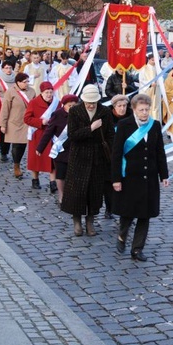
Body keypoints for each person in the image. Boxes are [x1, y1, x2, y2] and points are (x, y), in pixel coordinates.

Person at [111, 93, 169, 262]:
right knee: (128, 213)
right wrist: (116, 179)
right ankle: (122, 234)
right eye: (141, 110)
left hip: (149, 177)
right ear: (134, 110)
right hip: (129, 176)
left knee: (145, 214)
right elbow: (116, 153)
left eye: (147, 109)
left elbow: (159, 152)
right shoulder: (124, 125)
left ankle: (137, 249)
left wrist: (163, 174)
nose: (145, 113)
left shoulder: (155, 126)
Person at [61, 84, 114, 237]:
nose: (91, 105)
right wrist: (90, 128)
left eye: (94, 102)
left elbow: (110, 134)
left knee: (94, 191)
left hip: (98, 157)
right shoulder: (75, 111)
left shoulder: (104, 111)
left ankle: (90, 220)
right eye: (88, 102)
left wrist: (110, 150)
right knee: (76, 191)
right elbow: (72, 135)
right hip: (79, 156)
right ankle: (76, 220)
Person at [37, 94, 79, 200]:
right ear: (64, 105)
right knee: (60, 174)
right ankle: (61, 195)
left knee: (73, 174)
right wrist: (40, 148)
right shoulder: (56, 115)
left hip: (74, 149)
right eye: (70, 105)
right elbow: (48, 132)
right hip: (61, 150)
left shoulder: (79, 115)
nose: (72, 108)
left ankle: (71, 194)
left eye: (74, 105)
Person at [0, 72, 35, 180]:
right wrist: (2, 124)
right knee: (16, 145)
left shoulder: (32, 91)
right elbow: (5, 109)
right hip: (14, 122)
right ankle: (16, 166)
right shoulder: (11, 92)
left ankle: (18, 162)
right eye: (24, 82)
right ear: (18, 82)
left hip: (27, 123)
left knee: (23, 145)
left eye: (28, 81)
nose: (27, 84)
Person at [24, 81, 56, 190]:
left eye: (51, 92)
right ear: (42, 93)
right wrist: (40, 122)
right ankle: (35, 180)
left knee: (52, 159)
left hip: (52, 135)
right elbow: (27, 119)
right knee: (36, 159)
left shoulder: (56, 103)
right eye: (47, 92)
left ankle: (53, 182)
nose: (49, 95)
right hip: (37, 134)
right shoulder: (33, 103)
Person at [138, 53, 162, 121]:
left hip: (156, 91)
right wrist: (150, 84)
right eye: (152, 60)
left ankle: (156, 124)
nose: (154, 62)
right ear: (148, 59)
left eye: (155, 60)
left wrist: (157, 83)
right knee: (146, 106)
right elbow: (141, 80)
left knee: (156, 107)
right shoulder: (144, 68)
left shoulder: (158, 69)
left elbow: (161, 79)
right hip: (146, 91)